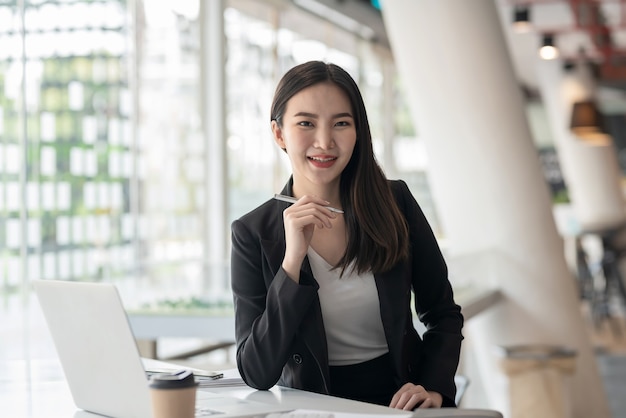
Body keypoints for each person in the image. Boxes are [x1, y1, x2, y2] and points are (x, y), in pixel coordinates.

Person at [230, 60, 464, 410]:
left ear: (358, 132)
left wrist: (433, 387)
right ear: (279, 133)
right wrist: (292, 263)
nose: (325, 142)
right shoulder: (252, 233)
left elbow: (442, 312)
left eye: (341, 123)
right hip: (313, 408)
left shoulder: (395, 201)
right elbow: (257, 371)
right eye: (306, 123)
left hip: (400, 403)